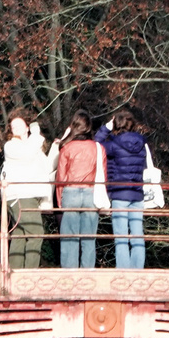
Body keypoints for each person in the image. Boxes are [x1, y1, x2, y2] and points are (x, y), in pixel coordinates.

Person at [94, 108, 150, 269]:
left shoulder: (113, 145)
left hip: (119, 194)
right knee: (138, 235)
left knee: (121, 236)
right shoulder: (142, 144)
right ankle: (137, 270)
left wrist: (107, 127)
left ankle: (124, 271)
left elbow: (96, 144)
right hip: (137, 194)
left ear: (117, 125)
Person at [0, 112, 56, 269]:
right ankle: (30, 274)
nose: (16, 127)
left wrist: (57, 146)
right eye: (13, 126)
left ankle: (14, 272)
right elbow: (26, 154)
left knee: (20, 234)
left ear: (27, 127)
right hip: (20, 195)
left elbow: (47, 167)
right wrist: (36, 135)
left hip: (28, 196)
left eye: (19, 124)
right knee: (36, 233)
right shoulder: (11, 146)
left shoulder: (33, 148)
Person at [54, 111, 106, 269]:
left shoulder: (67, 148)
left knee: (69, 237)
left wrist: (59, 200)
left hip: (70, 192)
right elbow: (102, 175)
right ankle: (87, 273)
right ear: (89, 127)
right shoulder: (98, 148)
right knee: (89, 238)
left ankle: (70, 276)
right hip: (90, 193)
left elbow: (61, 177)